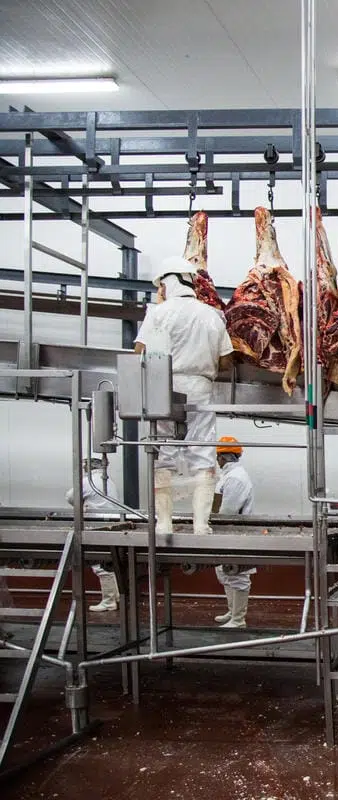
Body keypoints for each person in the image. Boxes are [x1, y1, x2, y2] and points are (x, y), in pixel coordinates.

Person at [134, 255, 234, 536]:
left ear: (167, 282)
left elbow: (139, 351)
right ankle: (201, 524)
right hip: (200, 388)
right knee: (203, 451)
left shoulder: (158, 313)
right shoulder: (211, 314)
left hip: (162, 385)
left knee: (163, 451)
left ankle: (164, 523)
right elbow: (227, 361)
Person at [65, 457, 122, 612]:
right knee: (110, 562)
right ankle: (116, 597)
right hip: (112, 524)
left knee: (99, 564)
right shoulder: (108, 480)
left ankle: (109, 601)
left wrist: (82, 505)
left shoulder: (88, 481)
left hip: (97, 525)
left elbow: (70, 496)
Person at [213, 436, 255, 628]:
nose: (217, 460)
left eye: (218, 456)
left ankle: (238, 619)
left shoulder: (236, 478)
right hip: (226, 532)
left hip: (234, 532)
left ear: (225, 456)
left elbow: (227, 511)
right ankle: (232, 612)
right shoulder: (229, 475)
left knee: (237, 574)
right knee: (225, 572)